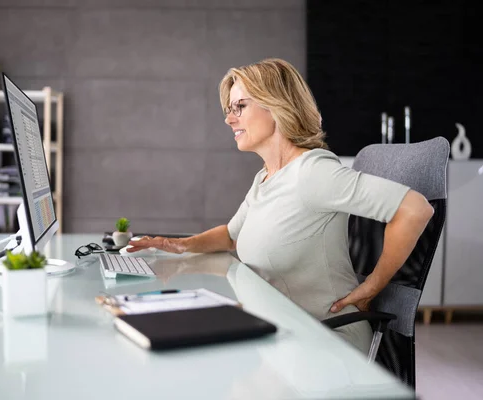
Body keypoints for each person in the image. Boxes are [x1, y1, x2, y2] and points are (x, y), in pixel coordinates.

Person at [127, 58, 434, 353]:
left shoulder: (313, 172)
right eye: (229, 109)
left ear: (276, 106)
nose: (229, 118)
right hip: (285, 330)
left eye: (240, 107)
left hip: (328, 340)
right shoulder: (266, 177)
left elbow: (414, 209)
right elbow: (232, 236)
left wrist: (372, 287)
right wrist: (179, 245)